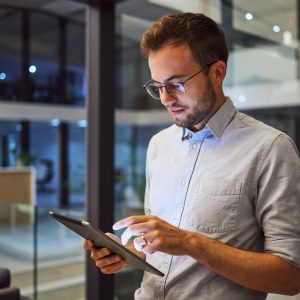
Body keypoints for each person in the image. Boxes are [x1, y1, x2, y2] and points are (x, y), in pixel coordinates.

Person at [84, 12, 300, 299]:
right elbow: (163, 249)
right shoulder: (159, 145)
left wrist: (190, 242)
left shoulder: (270, 149)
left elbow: (291, 275)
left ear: (217, 72)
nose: (165, 99)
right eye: (158, 87)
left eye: (177, 84)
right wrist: (127, 253)